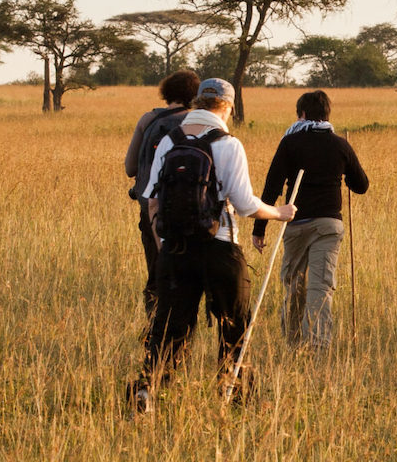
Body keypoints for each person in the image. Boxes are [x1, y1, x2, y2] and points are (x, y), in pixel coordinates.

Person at [132, 78, 296, 413]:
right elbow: (246, 204)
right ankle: (232, 396)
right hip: (220, 248)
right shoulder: (228, 143)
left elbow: (151, 202)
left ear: (197, 102)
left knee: (170, 329)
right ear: (228, 106)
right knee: (233, 326)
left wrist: (165, 249)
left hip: (175, 249)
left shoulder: (168, 141)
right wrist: (280, 213)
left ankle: (148, 394)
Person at [250, 90, 368, 349]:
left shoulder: (290, 143)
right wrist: (345, 175)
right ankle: (318, 346)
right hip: (329, 225)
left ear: (301, 114)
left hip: (296, 224)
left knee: (294, 286)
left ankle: (294, 345)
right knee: (320, 287)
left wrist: (259, 228)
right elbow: (361, 186)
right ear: (327, 114)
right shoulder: (340, 144)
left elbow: (272, 186)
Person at [124, 69, 200, 320]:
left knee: (157, 270)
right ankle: (181, 326)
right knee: (185, 274)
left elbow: (130, 168)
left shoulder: (148, 119)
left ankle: (155, 326)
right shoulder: (198, 121)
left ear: (166, 93)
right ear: (194, 95)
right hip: (190, 211)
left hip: (149, 207)